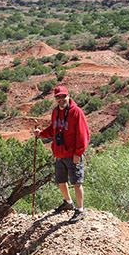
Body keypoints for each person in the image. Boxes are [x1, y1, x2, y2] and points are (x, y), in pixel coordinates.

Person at [34, 85, 91, 223]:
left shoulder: (76, 112)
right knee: (61, 181)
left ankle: (80, 210)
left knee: (77, 182)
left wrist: (78, 152)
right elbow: (53, 129)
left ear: (68, 95)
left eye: (63, 96)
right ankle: (68, 202)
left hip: (73, 154)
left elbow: (83, 134)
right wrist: (41, 134)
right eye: (58, 97)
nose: (61, 99)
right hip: (59, 153)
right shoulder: (55, 112)